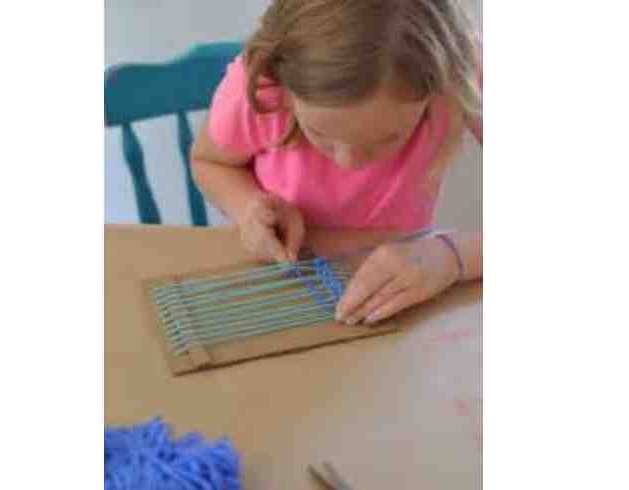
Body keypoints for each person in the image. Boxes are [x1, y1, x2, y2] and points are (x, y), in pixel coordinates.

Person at [191, 0, 482, 326]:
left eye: (387, 139)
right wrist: (248, 207)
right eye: (320, 133)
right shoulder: (261, 85)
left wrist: (452, 255)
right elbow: (210, 162)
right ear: (284, 89)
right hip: (281, 277)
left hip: (405, 282)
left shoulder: (464, 74)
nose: (349, 162)